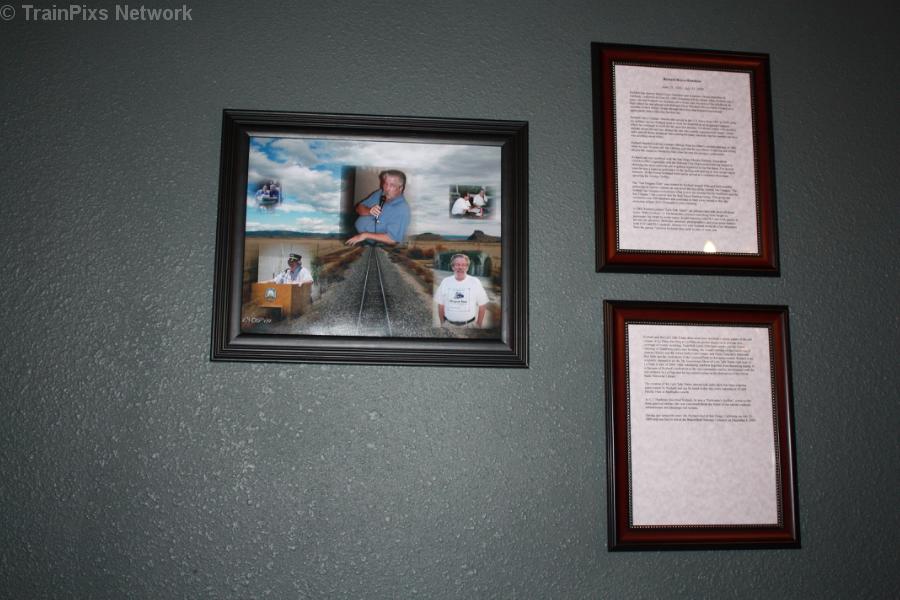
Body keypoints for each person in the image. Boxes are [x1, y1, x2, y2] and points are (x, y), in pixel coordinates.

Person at [346, 170, 411, 246]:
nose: (387, 188)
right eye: (385, 183)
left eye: (392, 185)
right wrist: (369, 211)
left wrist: (365, 235)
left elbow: (393, 239)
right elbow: (358, 208)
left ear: (401, 188)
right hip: (354, 228)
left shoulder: (402, 209)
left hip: (368, 242)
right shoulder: (380, 193)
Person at [435, 254, 488, 328]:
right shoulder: (445, 282)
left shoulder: (475, 282)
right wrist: (442, 323)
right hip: (448, 325)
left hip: (469, 325)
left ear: (467, 267)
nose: (460, 267)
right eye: (457, 264)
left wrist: (479, 325)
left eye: (463, 265)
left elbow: (482, 305)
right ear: (452, 267)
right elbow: (441, 305)